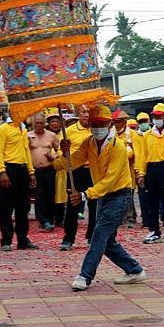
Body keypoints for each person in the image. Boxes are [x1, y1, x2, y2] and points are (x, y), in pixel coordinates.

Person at [59, 105, 146, 291]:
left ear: (109, 124)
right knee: (106, 241)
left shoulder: (118, 147)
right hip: (103, 197)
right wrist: (63, 151)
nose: (97, 126)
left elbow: (110, 180)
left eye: (101, 123)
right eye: (94, 123)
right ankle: (134, 269)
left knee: (98, 235)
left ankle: (85, 276)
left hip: (120, 195)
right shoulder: (88, 142)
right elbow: (69, 163)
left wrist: (85, 195)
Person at [136, 103, 164, 244]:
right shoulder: (147, 135)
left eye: (159, 116)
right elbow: (142, 155)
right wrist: (141, 173)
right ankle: (154, 230)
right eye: (154, 116)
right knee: (151, 201)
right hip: (151, 169)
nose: (156, 119)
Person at [0, 113, 38, 252]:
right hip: (9, 168)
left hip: (22, 169)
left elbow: (26, 151)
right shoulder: (4, 129)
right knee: (6, 207)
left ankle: (22, 239)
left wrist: (31, 172)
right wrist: (2, 171)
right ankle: (6, 240)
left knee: (23, 207)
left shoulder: (24, 129)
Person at [59, 105, 96, 251]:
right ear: (78, 114)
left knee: (95, 206)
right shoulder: (68, 131)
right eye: (84, 112)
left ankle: (92, 237)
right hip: (76, 171)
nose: (87, 115)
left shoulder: (97, 129)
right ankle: (68, 238)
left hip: (94, 171)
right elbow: (60, 155)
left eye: (89, 112)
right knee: (73, 205)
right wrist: (63, 150)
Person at [28, 113, 59, 232]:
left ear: (45, 123)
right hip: (35, 170)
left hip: (49, 169)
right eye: (37, 123)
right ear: (33, 123)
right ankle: (43, 220)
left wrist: (53, 156)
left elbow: (60, 150)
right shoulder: (28, 136)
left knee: (50, 195)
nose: (39, 125)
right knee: (38, 195)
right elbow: (25, 152)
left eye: (41, 122)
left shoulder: (51, 136)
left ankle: (50, 219)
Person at [112, 109, 141, 228]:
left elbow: (138, 153)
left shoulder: (132, 134)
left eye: (118, 121)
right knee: (116, 194)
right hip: (115, 169)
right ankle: (121, 216)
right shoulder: (111, 134)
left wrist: (139, 170)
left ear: (124, 122)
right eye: (114, 121)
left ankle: (130, 216)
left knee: (128, 193)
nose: (116, 124)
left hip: (129, 169)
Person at [135, 112, 151, 227]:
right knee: (142, 195)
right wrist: (138, 171)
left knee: (154, 195)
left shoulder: (153, 134)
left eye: (145, 121)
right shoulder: (135, 136)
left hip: (152, 167)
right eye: (141, 122)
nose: (143, 124)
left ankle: (154, 217)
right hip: (140, 168)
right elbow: (136, 154)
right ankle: (145, 219)